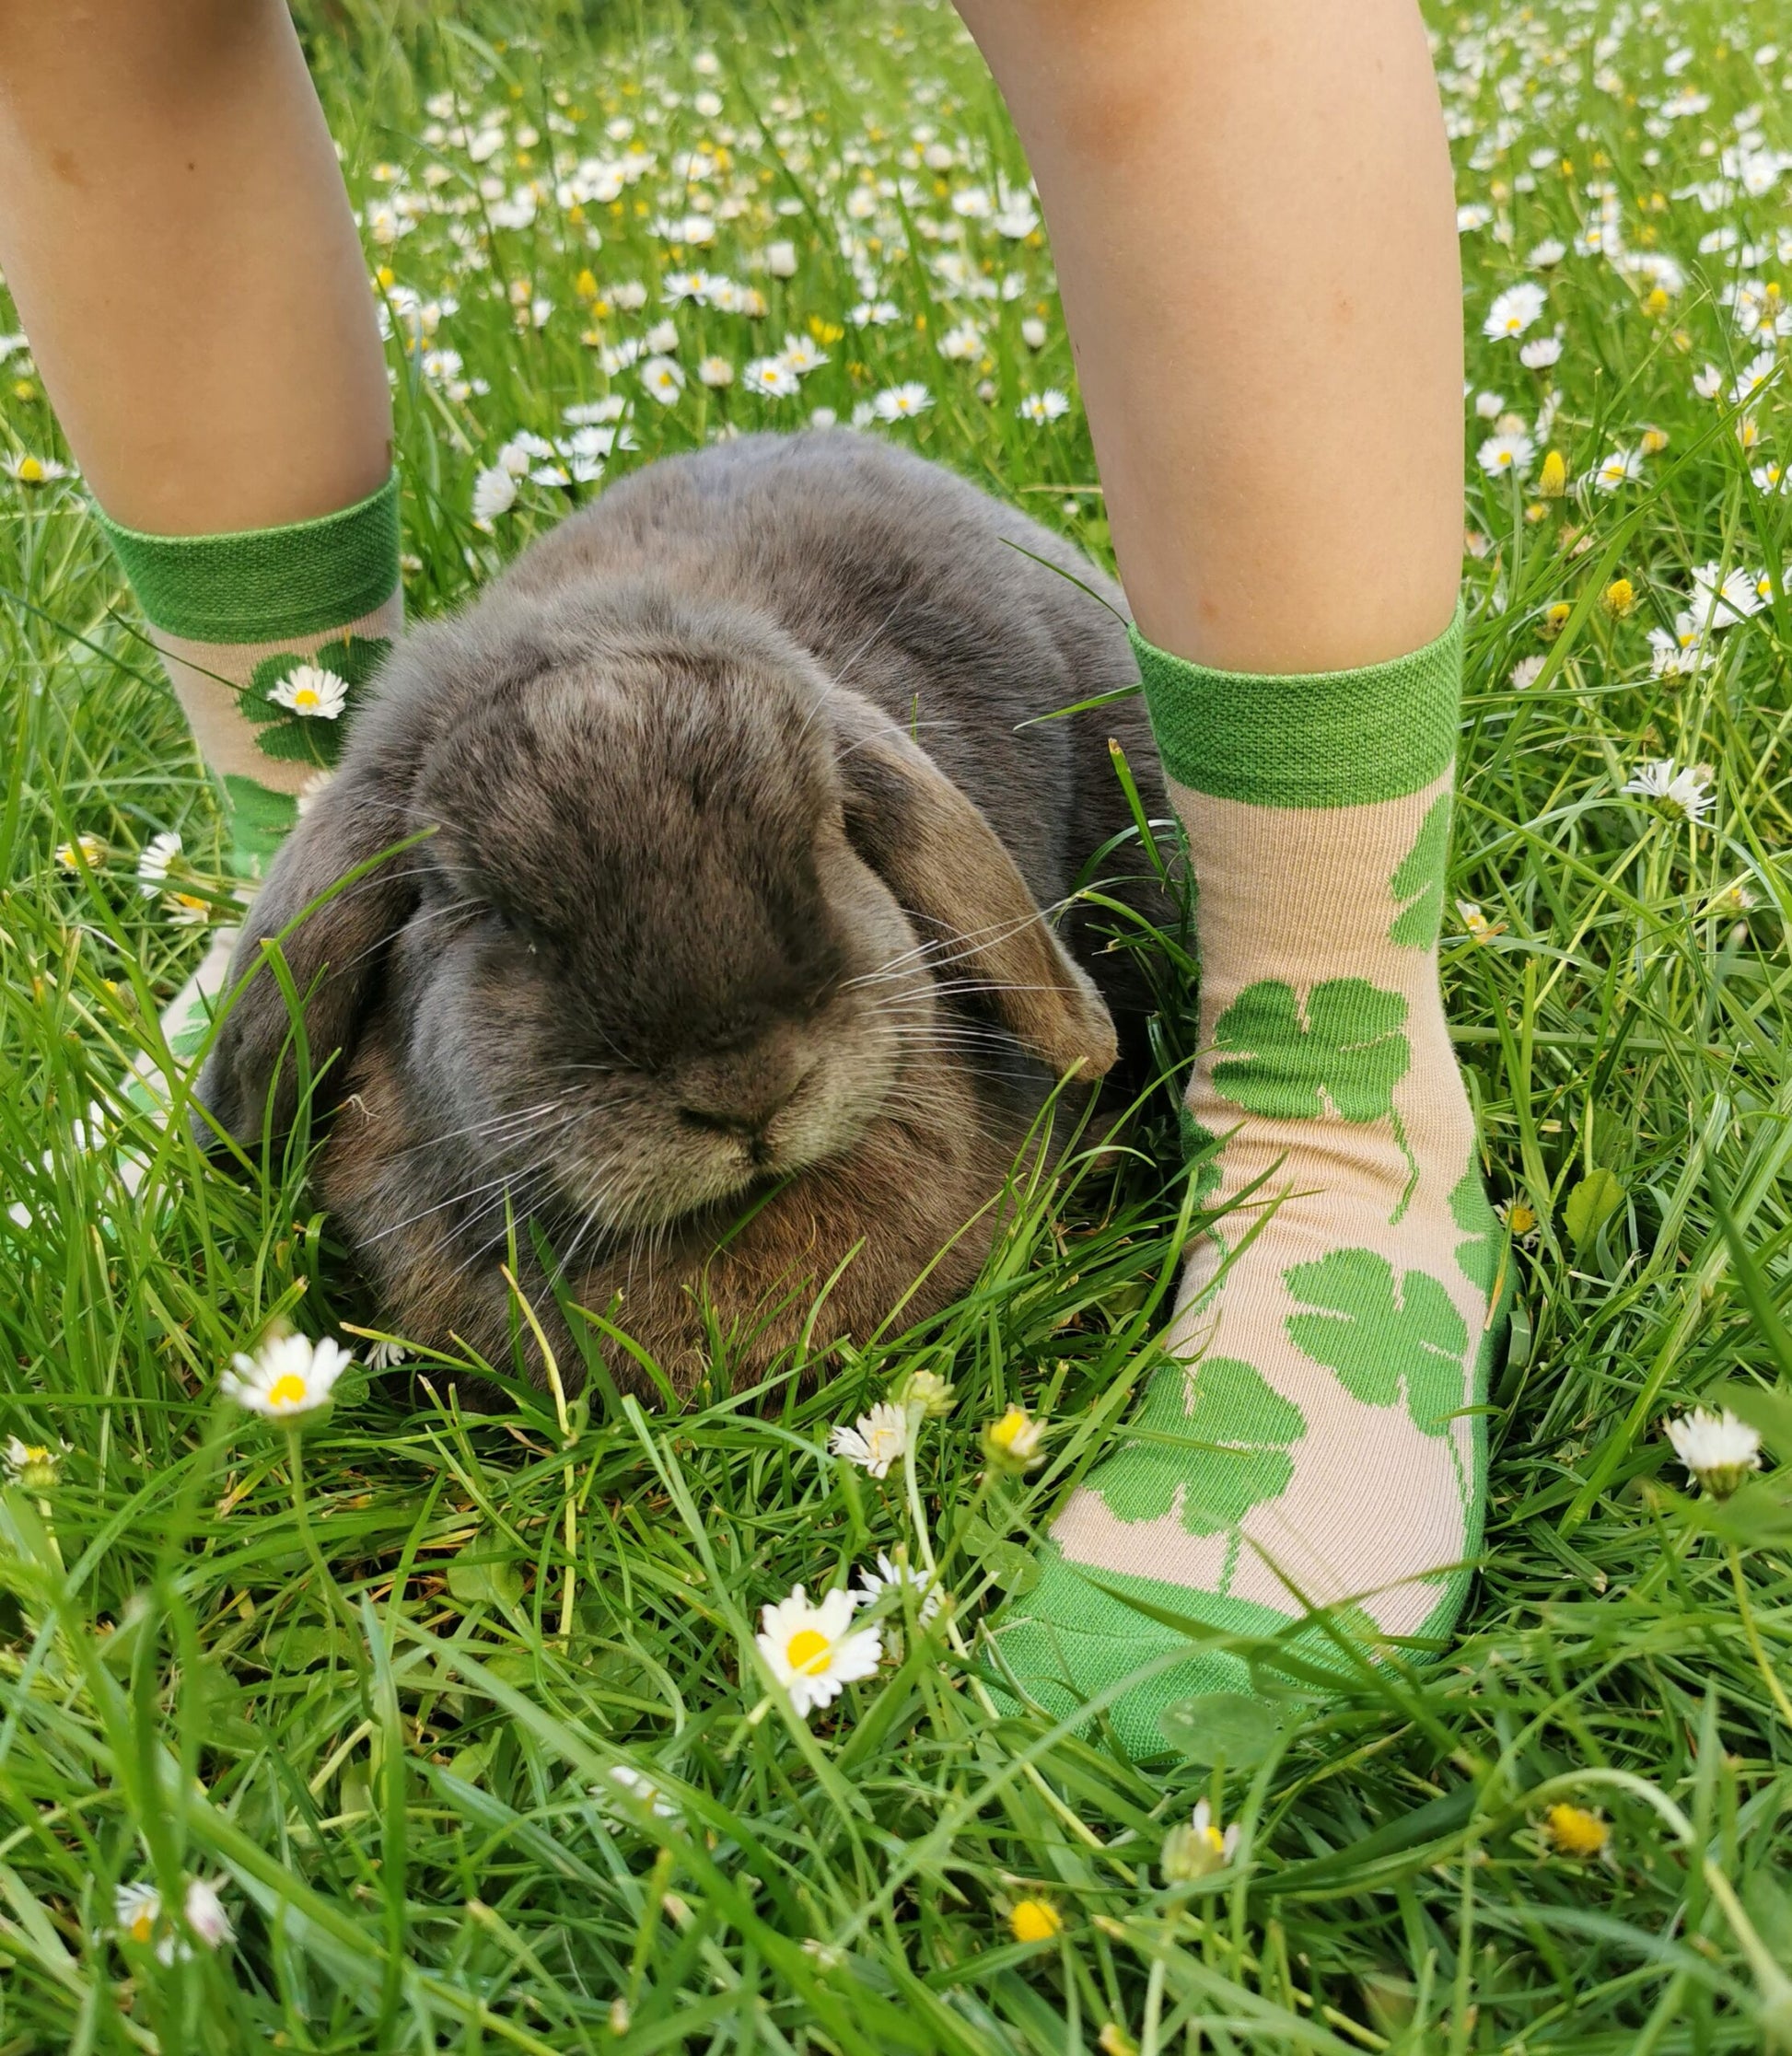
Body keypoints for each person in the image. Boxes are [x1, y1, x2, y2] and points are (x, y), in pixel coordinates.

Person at [0, 0, 1499, 1755]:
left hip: (927, 600)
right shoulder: (431, 876)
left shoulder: (870, 826)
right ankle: (279, 868)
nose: (743, 1079)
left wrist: (1049, 993)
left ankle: (1333, 1097)